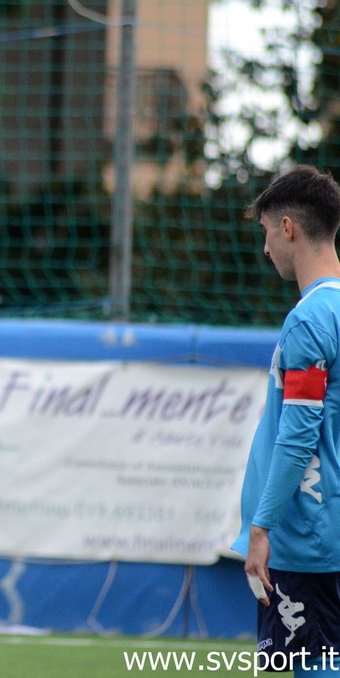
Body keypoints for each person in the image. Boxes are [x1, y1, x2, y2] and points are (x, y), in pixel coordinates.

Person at [233, 165, 340, 677]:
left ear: (288, 227)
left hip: (305, 538)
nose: (266, 248)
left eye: (266, 232)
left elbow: (298, 436)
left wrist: (261, 527)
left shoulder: (310, 320)